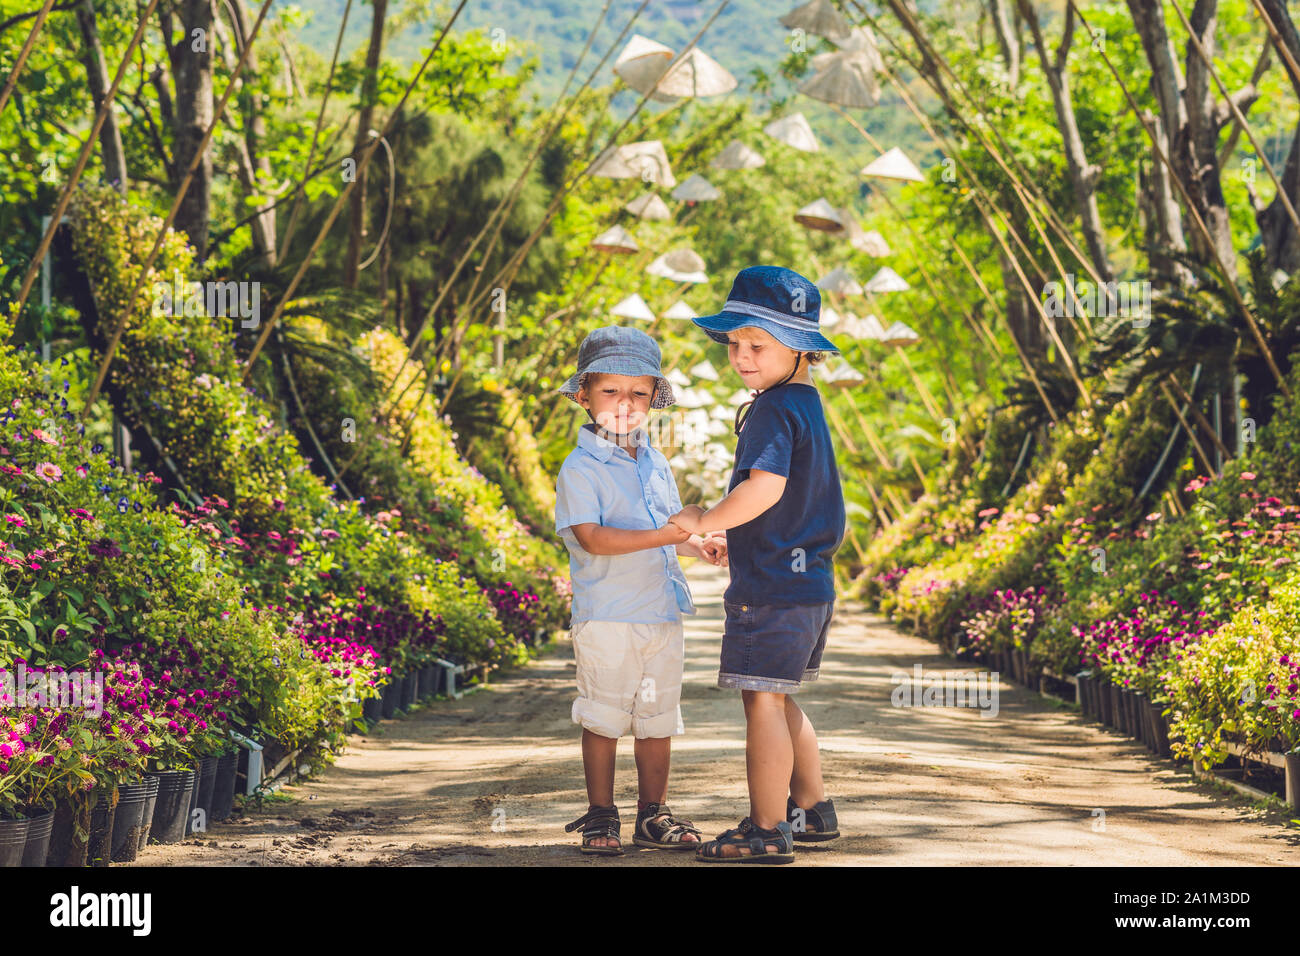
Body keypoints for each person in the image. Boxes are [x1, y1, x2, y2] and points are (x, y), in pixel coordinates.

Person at [667, 265, 847, 864]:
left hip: (771, 587)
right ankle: (812, 808)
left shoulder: (771, 411)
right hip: (810, 587)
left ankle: (767, 829)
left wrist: (704, 520)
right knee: (779, 694)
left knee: (762, 701)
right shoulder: (805, 403)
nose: (741, 357)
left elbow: (765, 490)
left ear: (798, 348)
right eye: (734, 345)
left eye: (757, 345)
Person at [553, 325, 728, 856]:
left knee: (657, 719)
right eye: (610, 391)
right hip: (607, 615)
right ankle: (600, 815)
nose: (625, 403)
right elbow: (594, 539)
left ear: (654, 397)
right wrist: (668, 533)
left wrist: (695, 546)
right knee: (604, 715)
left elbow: (664, 531)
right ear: (584, 396)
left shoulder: (655, 461)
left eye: (638, 392)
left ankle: (653, 814)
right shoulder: (580, 468)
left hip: (660, 612)